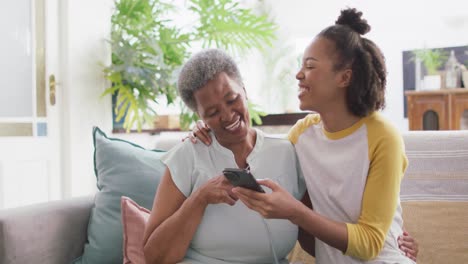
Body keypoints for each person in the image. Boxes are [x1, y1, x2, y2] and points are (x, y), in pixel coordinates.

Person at [188, 8, 418, 263]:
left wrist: (295, 212)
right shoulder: (303, 134)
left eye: (310, 66)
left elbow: (370, 244)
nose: (298, 74)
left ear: (344, 77)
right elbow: (255, 146)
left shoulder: (383, 136)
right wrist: (205, 128)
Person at [142, 49, 306, 264]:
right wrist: (199, 198)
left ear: (244, 91)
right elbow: (154, 258)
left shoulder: (286, 152)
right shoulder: (189, 154)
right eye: (212, 113)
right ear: (200, 117)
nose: (228, 116)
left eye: (232, 100)